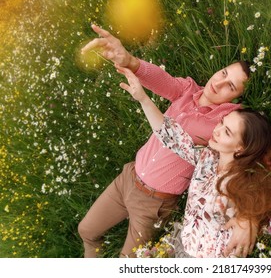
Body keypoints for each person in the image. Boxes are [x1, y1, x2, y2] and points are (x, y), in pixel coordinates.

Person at [78, 25, 257, 258]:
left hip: (154, 204)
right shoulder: (188, 90)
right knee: (87, 231)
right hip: (128, 178)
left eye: (231, 86)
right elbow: (164, 80)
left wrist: (248, 217)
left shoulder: (227, 123)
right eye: (223, 73)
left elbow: (253, 163)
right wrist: (130, 60)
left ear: (237, 98)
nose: (219, 83)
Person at [117, 66, 271, 257]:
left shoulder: (241, 182)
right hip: (181, 241)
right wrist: (143, 98)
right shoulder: (208, 157)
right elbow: (170, 135)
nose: (217, 130)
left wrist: (250, 220)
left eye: (227, 132)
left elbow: (270, 201)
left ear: (241, 148)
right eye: (222, 123)